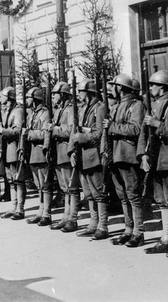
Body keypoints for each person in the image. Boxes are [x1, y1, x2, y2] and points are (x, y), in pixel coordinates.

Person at [137, 70, 168, 257]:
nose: (150, 88)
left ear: (163, 86)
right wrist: (142, 155)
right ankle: (165, 238)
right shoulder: (152, 105)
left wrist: (158, 124)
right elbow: (143, 133)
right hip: (155, 158)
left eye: (153, 85)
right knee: (161, 200)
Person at [104, 73, 145, 247]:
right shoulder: (116, 106)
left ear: (120, 88)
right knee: (122, 195)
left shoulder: (136, 106)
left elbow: (136, 129)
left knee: (133, 195)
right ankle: (128, 229)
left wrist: (112, 127)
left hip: (128, 155)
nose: (111, 88)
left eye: (114, 85)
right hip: (115, 154)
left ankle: (138, 232)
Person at [67, 79, 106, 238]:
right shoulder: (83, 109)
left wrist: (82, 137)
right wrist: (72, 151)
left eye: (81, 92)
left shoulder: (100, 108)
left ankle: (102, 225)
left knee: (99, 193)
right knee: (88, 193)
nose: (79, 95)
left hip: (94, 155)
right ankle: (93, 222)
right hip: (82, 155)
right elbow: (74, 131)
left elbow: (99, 133)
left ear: (89, 93)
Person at [46, 81, 79, 231]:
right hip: (58, 150)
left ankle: (72, 218)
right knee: (64, 187)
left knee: (71, 186)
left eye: (55, 94)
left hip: (66, 149)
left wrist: (55, 129)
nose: (53, 96)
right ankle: (66, 216)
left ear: (63, 95)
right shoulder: (59, 110)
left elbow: (71, 130)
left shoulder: (70, 110)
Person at [0, 86, 26, 220]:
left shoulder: (18, 111)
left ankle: (19, 208)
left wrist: (3, 131)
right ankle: (13, 207)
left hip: (15, 148)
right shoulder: (7, 111)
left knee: (18, 179)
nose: (0, 98)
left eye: (2, 96)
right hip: (7, 149)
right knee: (11, 180)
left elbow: (17, 130)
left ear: (8, 97)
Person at [23, 87, 51, 225]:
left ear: (34, 99)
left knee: (44, 184)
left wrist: (29, 134)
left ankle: (46, 213)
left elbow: (45, 133)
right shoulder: (32, 113)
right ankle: (40, 210)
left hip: (40, 151)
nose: (27, 99)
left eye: (28, 97)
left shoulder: (44, 113)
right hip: (33, 152)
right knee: (38, 184)